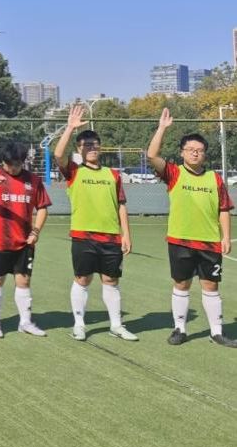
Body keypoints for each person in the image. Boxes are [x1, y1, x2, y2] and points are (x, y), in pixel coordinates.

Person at [146, 108, 236, 347]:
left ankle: (216, 332)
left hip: (209, 242)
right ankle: (180, 329)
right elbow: (152, 154)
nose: (195, 153)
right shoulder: (174, 173)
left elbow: (224, 209)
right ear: (182, 152)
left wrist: (226, 237)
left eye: (199, 150)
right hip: (181, 241)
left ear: (205, 153)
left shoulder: (215, 178)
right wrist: (162, 128)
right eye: (190, 149)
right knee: (182, 284)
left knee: (211, 285)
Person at [53, 104, 137, 341]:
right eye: (86, 145)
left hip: (110, 237)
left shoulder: (113, 174)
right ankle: (79, 325)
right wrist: (70, 128)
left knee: (111, 280)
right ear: (79, 149)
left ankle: (116, 325)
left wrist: (126, 235)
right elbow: (58, 155)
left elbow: (121, 205)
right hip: (84, 236)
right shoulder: (73, 171)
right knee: (83, 279)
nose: (91, 148)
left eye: (94, 144)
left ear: (100, 147)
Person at [0, 141, 51, 338]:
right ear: (3, 161)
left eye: (17, 164)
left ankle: (25, 322)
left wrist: (35, 232)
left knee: (23, 281)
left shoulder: (33, 180)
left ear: (22, 162)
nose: (12, 168)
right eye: (8, 164)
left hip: (25, 242)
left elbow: (42, 208)